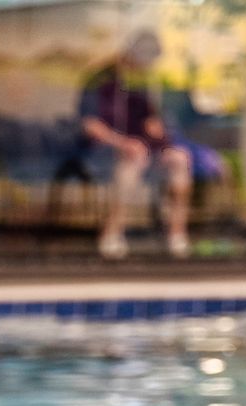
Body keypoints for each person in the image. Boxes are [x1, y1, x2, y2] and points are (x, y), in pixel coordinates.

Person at [76, 30, 192, 261]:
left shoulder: (144, 83)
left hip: (143, 148)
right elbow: (89, 125)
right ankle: (112, 233)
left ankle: (176, 235)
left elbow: (150, 122)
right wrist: (121, 143)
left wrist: (163, 141)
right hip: (102, 151)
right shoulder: (100, 79)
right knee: (133, 160)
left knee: (180, 159)